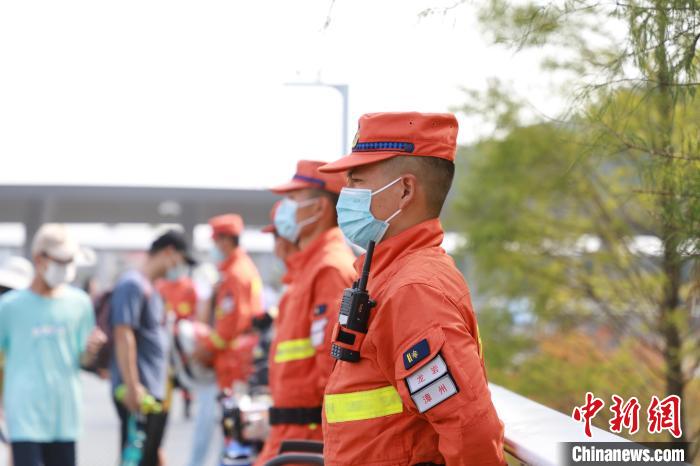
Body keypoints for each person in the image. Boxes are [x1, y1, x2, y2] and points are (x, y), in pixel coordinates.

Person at [318, 112, 506, 465]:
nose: (345, 196)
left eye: (356, 181)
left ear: (405, 190)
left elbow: (471, 431)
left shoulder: (414, 291)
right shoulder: (388, 278)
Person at [253, 160, 356, 465]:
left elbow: (332, 369)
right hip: (291, 433)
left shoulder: (329, 270)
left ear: (319, 209)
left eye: (294, 199)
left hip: (307, 437)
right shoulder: (310, 269)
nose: (286, 208)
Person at [0, 224, 105, 466]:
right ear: (40, 259)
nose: (66, 267)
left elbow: (82, 361)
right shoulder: (9, 307)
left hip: (65, 414)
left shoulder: (80, 303)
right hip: (24, 414)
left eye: (71, 261)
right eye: (62, 260)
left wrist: (91, 351)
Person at [111, 229, 196, 466]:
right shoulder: (132, 284)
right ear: (169, 252)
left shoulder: (150, 287)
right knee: (135, 458)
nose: (180, 267)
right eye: (181, 259)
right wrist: (132, 386)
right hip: (140, 394)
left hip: (153, 393)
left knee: (148, 456)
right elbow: (123, 333)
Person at [194, 214, 263, 391]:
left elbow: (229, 325)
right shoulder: (243, 267)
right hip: (241, 352)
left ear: (226, 241)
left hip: (234, 358)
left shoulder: (235, 274)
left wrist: (205, 347)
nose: (214, 247)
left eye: (215, 241)